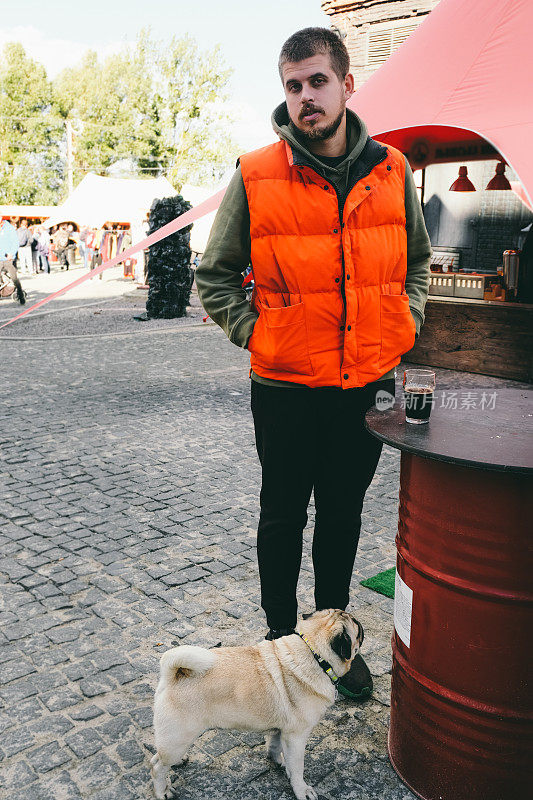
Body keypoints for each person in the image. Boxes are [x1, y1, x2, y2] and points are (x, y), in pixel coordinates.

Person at [195, 28, 432, 701]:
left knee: (342, 516)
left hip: (364, 382)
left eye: (316, 82)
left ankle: (332, 646)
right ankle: (277, 652)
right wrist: (258, 333)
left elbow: (416, 261)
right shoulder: (255, 173)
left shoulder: (392, 170)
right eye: (293, 85)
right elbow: (212, 277)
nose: (305, 97)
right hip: (285, 387)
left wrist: (405, 319)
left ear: (346, 84)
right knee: (281, 516)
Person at [0, 217, 25, 303]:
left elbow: (15, 242)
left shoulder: (8, 227)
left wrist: (11, 253)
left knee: (14, 278)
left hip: (8, 258)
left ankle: (20, 294)